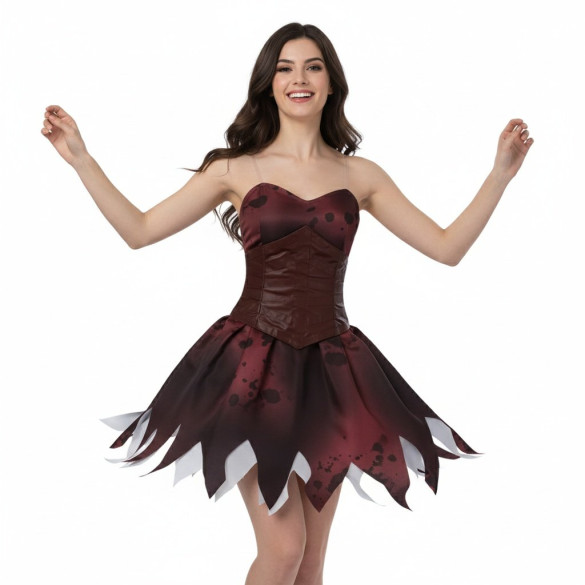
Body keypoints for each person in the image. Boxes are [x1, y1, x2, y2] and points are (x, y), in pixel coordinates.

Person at [41, 21, 533, 585]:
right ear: (269, 84)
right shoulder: (234, 168)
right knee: (284, 549)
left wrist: (500, 175)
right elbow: (141, 230)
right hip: (251, 368)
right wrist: (82, 159)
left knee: (311, 563)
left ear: (331, 83)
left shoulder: (361, 175)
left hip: (331, 372)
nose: (299, 78)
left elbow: (446, 248)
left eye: (313, 67)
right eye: (285, 68)